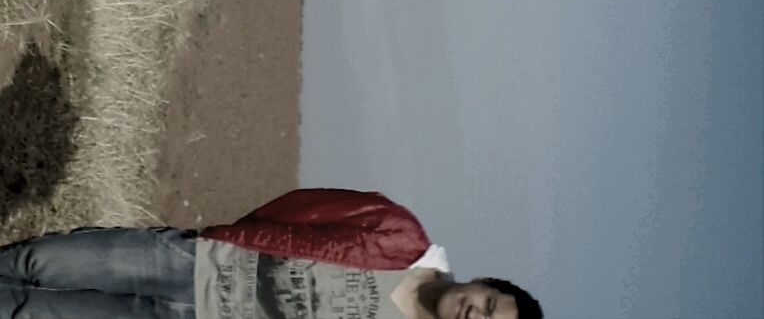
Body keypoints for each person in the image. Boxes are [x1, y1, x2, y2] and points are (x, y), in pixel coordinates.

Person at [0, 187, 544, 319]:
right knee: (39, 261)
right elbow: (302, 208)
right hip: (197, 264)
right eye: (491, 305)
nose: (476, 315)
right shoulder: (399, 232)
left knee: (31, 314)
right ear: (487, 282)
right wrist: (225, 239)